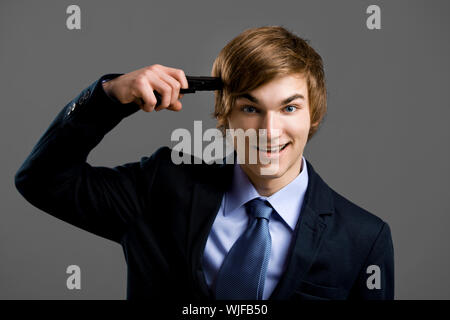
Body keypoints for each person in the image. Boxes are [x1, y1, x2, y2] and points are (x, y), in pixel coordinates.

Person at [14, 26, 394, 300]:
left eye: (289, 107)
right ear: (224, 115)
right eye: (250, 108)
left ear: (314, 114)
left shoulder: (363, 238)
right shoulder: (159, 188)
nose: (269, 129)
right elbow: (42, 180)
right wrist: (108, 96)